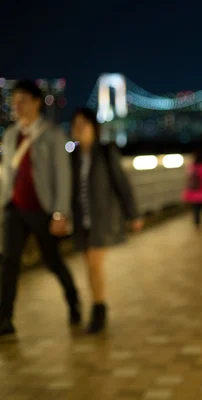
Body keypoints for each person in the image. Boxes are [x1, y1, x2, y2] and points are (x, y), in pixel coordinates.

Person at [0, 80, 80, 338]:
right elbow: (6, 174)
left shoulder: (52, 134)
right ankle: (5, 319)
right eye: (14, 101)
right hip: (15, 209)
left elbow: (63, 176)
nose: (17, 106)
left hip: (42, 209)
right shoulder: (11, 135)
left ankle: (73, 300)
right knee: (9, 262)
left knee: (52, 261)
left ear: (36, 102)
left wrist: (60, 213)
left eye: (22, 100)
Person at [70, 108, 143, 333]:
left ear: (94, 127)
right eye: (76, 124)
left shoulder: (105, 151)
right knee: (89, 265)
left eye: (85, 123)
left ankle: (98, 308)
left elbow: (121, 182)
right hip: (81, 220)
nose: (80, 128)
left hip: (102, 218)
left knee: (94, 263)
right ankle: (97, 304)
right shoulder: (71, 156)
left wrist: (133, 214)